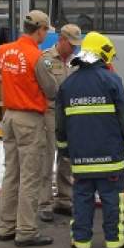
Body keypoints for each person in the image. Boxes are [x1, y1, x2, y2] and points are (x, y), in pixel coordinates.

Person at [0, 10, 57, 247]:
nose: (45, 34)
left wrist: (3, 79)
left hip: (9, 118)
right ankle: (26, 230)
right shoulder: (36, 56)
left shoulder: (5, 50)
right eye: (45, 30)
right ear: (39, 29)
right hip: (29, 120)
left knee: (11, 174)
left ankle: (6, 226)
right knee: (31, 177)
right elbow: (51, 90)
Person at [55, 31, 124, 248]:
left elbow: (61, 123)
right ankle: (115, 241)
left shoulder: (68, 84)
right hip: (110, 158)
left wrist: (64, 149)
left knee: (82, 198)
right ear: (102, 56)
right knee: (113, 199)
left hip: (81, 158)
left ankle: (81, 241)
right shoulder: (112, 80)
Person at [38, 24, 82, 222]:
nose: (74, 48)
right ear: (62, 39)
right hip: (50, 114)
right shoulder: (46, 58)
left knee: (66, 159)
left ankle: (64, 200)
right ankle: (44, 204)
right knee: (47, 158)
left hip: (70, 115)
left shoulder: (78, 61)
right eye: (71, 44)